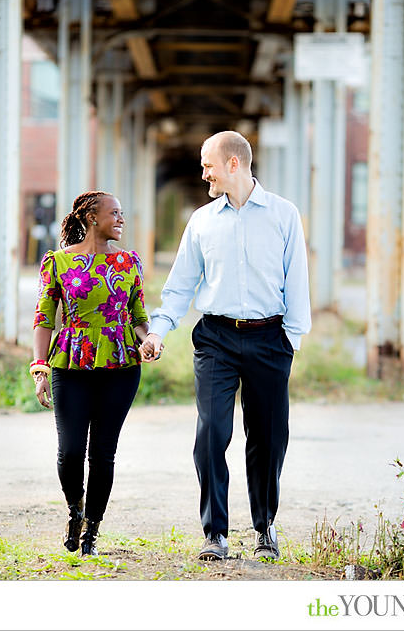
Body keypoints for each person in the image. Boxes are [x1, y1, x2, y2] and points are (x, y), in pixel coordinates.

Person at [139, 130, 311, 562]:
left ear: (233, 164)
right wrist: (158, 330)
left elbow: (297, 281)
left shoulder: (283, 215)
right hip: (215, 337)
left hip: (270, 338)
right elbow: (179, 286)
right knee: (211, 433)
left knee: (268, 439)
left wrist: (290, 338)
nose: (203, 173)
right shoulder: (201, 221)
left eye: (208, 164)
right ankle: (215, 533)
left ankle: (265, 527)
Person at [31, 191, 149, 556]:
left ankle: (91, 532)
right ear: (92, 218)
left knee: (103, 452)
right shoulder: (58, 262)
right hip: (71, 363)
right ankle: (75, 510)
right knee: (69, 451)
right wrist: (39, 368)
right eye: (115, 213)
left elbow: (139, 315)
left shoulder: (130, 262)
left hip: (121, 364)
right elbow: (44, 318)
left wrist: (148, 341)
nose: (121, 219)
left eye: (122, 213)